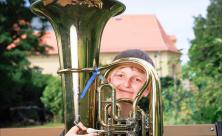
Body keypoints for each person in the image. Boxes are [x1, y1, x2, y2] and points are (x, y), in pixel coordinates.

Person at [64, 49, 154, 136]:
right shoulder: (86, 117)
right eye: (120, 75)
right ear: (109, 80)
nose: (126, 84)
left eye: (137, 79)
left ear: (147, 90)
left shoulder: (148, 128)